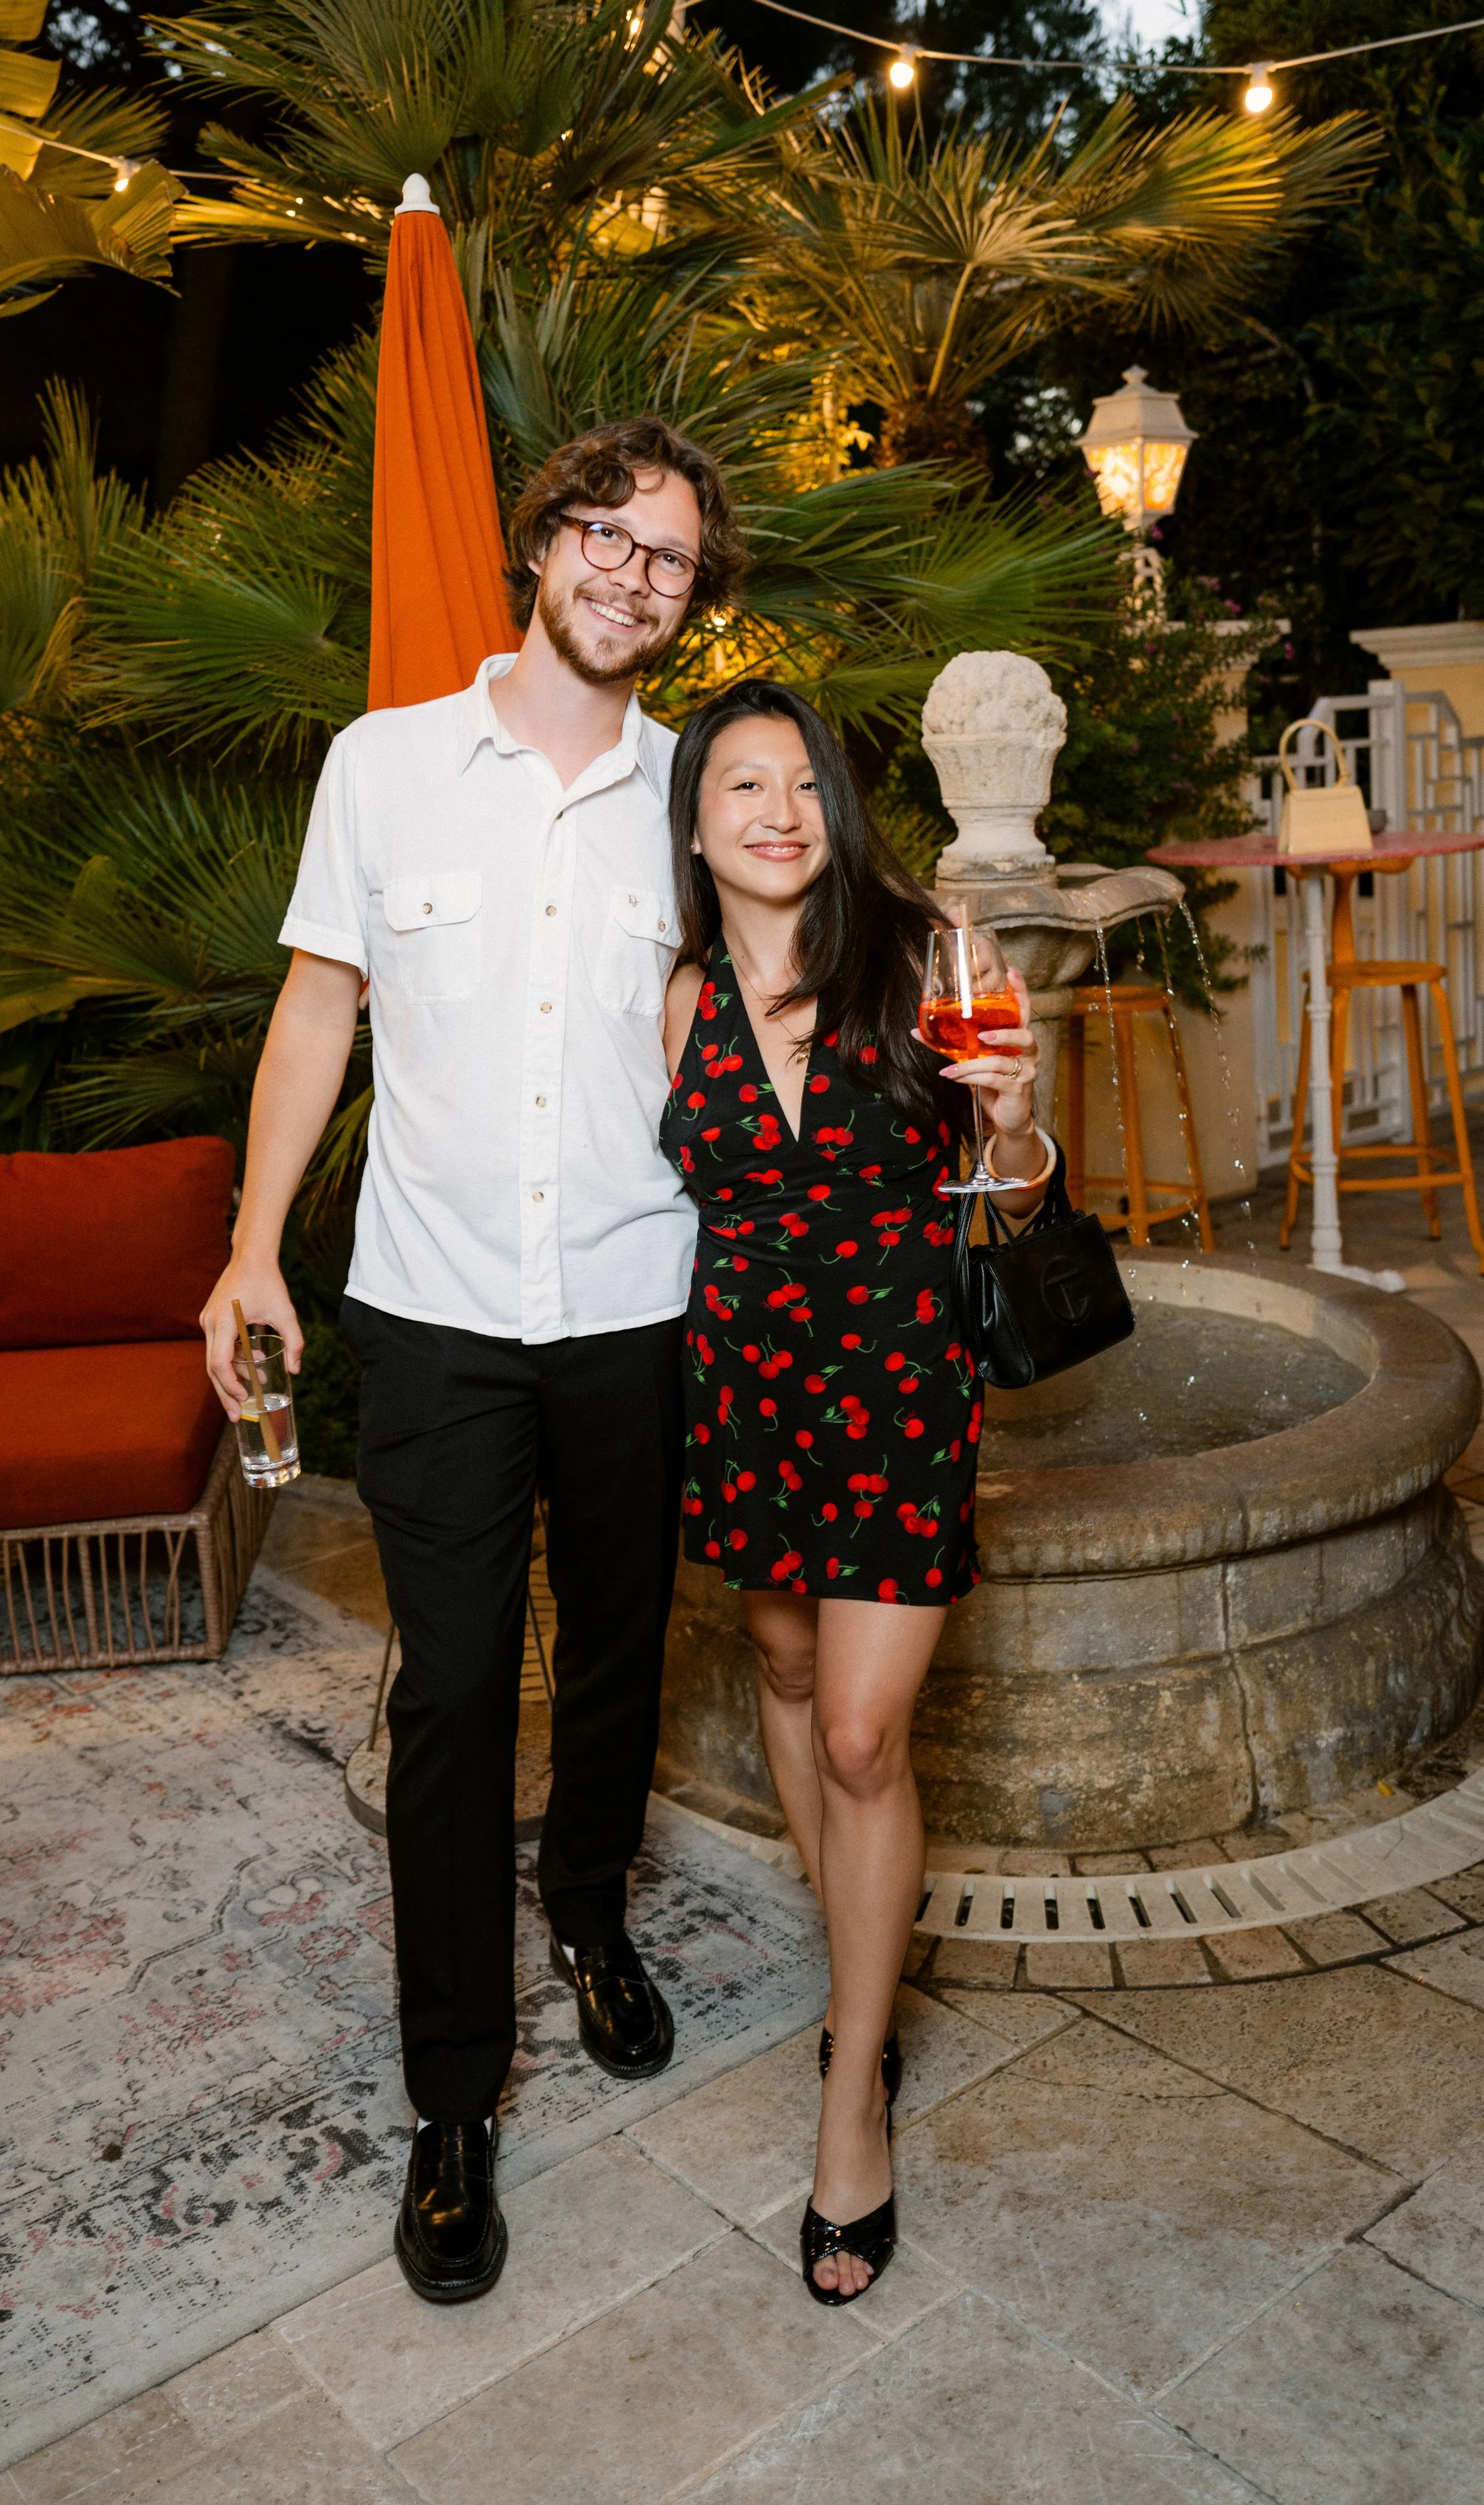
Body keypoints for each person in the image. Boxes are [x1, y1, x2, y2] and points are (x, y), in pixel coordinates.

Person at [202, 416, 746, 2305]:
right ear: (542, 543)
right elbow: (316, 1009)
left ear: (688, 596)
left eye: (666, 555)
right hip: (427, 1313)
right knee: (445, 1699)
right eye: (603, 533)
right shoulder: (383, 767)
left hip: (633, 1304)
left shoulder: (701, 796)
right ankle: (454, 2096)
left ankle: (588, 1910)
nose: (629, 573)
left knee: (614, 1647)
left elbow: (762, 1013)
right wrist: (254, 1244)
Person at [659, 680, 1050, 2306]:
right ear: (691, 820)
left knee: (854, 1735)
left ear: (837, 804)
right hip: (742, 1381)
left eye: (799, 782)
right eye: (738, 784)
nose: (773, 809)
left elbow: (1014, 1195)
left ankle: (851, 2073)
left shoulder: (927, 949)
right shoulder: (671, 992)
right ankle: (862, 1980)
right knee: (779, 1670)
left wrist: (1016, 1120)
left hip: (895, 1380)